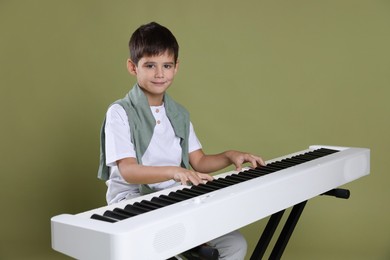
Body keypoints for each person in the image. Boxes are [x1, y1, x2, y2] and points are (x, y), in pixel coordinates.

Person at [97, 21, 265, 260]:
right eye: (150, 65)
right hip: (132, 201)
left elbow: (199, 161)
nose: (159, 73)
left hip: (173, 197)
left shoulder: (179, 114)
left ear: (176, 67)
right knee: (168, 240)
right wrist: (174, 172)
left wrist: (230, 156)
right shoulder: (120, 112)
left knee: (234, 244)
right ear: (133, 67)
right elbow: (129, 171)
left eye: (166, 65)